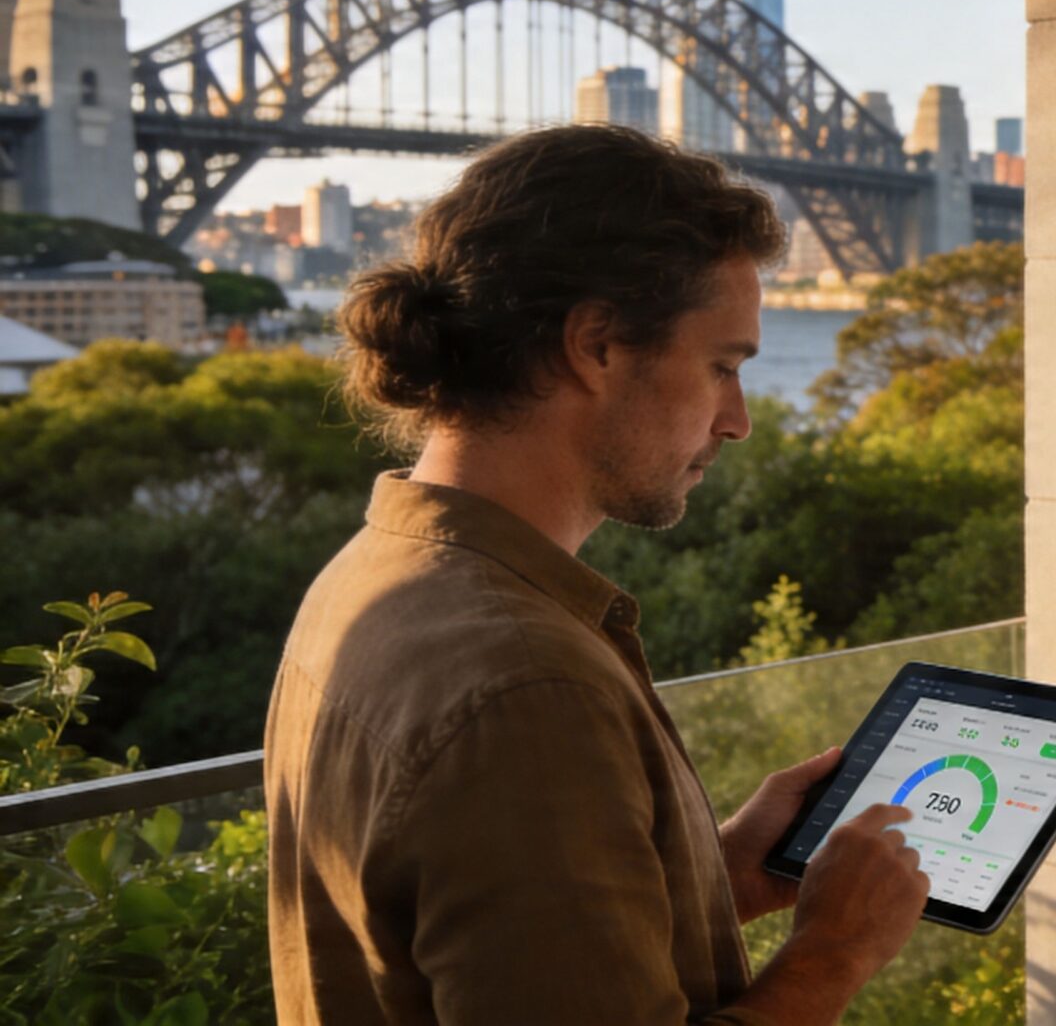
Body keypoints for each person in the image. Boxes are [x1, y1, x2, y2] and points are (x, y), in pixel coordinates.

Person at [264, 125, 927, 1025]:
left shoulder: (375, 575)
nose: (736, 421)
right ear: (597, 345)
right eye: (722, 366)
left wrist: (717, 875)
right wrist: (837, 951)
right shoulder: (525, 688)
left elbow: (494, 950)